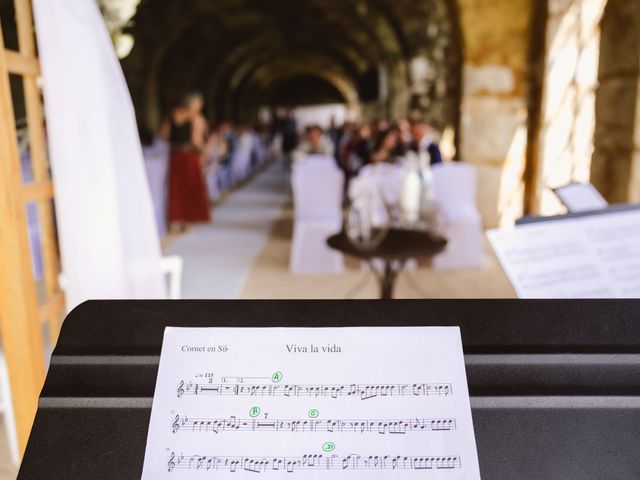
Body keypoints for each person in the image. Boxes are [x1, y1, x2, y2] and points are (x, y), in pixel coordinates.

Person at [167, 92, 211, 230]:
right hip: (189, 155)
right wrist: (204, 152)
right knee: (190, 186)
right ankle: (188, 219)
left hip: (175, 154)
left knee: (175, 187)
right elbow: (196, 140)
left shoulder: (174, 114)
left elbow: (164, 134)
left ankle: (175, 220)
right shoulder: (197, 119)